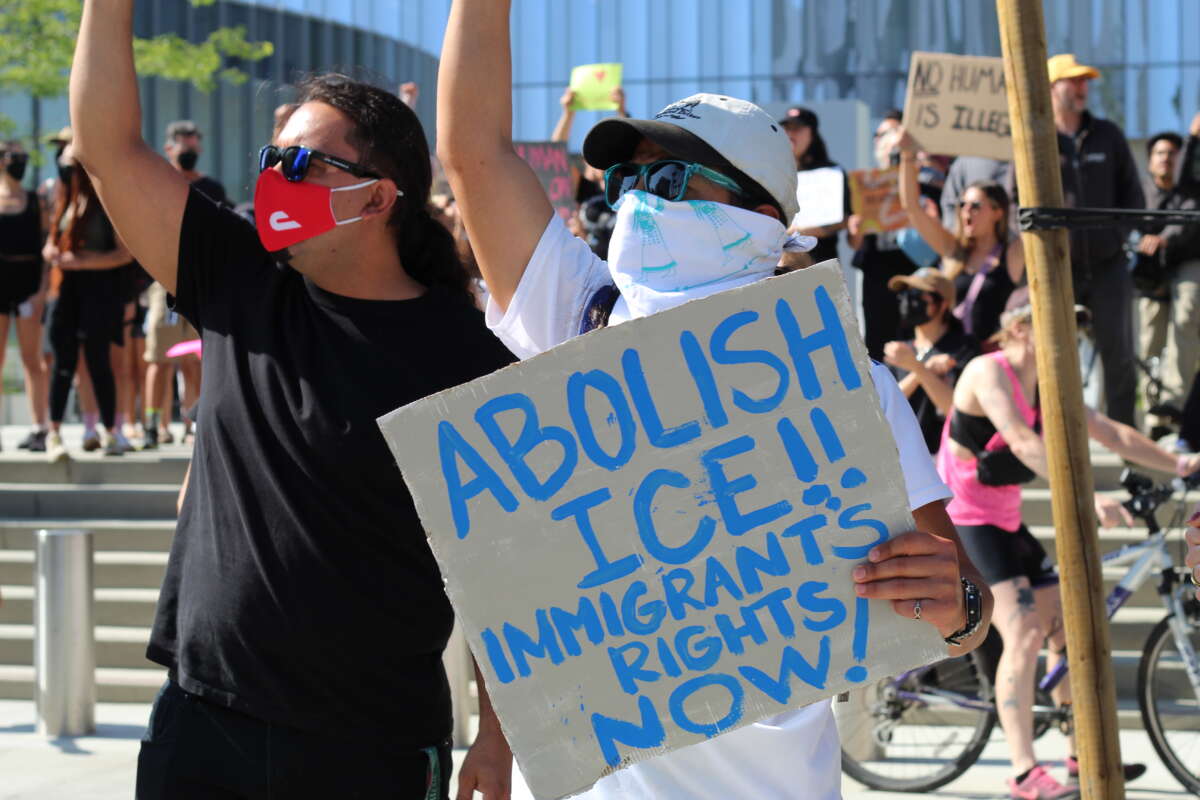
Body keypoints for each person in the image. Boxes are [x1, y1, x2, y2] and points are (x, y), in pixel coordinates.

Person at [437, 3, 993, 798]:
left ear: (761, 218)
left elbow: (960, 611)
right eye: (624, 178)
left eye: (664, 180)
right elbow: (472, 153)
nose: (633, 199)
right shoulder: (579, 317)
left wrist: (958, 599)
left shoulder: (843, 385)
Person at [71, 4, 516, 797]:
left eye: (306, 164)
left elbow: (503, 564)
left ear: (381, 200)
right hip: (203, 725)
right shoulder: (239, 274)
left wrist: (496, 730)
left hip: (368, 747)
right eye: (274, 157)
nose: (277, 178)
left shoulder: (467, 360)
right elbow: (107, 149)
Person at [938, 286, 1200, 798]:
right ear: (1018, 329)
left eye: (1074, 327)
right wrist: (1088, 494)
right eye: (1055, 324)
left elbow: (1111, 433)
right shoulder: (988, 371)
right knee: (1027, 632)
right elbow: (1020, 440)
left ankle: (1081, 752)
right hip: (965, 518)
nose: (1070, 337)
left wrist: (1182, 464)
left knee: (1063, 627)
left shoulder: (1049, 384)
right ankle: (1021, 772)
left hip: (1006, 518)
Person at [1049, 53, 1145, 426]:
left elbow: (1133, 198)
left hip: (1108, 267)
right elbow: (1017, 204)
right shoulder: (1037, 141)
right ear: (1051, 88)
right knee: (1055, 357)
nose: (1082, 88)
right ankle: (1057, 436)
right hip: (1057, 272)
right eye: (1073, 81)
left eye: (1084, 81)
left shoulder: (1108, 134)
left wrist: (1113, 237)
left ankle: (1127, 442)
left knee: (1119, 355)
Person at [42, 142, 132, 461]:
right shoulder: (62, 199)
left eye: (71, 164)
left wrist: (82, 261)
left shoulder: (105, 201)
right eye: (62, 164)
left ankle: (111, 431)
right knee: (62, 362)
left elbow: (124, 253)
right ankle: (53, 433)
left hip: (98, 292)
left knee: (99, 361)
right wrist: (51, 252)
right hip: (65, 290)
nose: (65, 170)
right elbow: (53, 241)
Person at [896, 127, 1024, 342]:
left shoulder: (1011, 254)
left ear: (997, 212)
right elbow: (912, 207)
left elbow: (1036, 215)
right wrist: (907, 155)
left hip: (991, 361)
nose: (966, 210)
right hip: (951, 361)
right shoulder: (953, 251)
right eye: (962, 204)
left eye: (975, 206)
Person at [142, 120, 225, 448]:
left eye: (192, 145)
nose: (188, 151)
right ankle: (153, 424)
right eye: (181, 145)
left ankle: (194, 425)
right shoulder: (158, 183)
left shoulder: (213, 189)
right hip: (164, 282)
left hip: (202, 285)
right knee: (158, 359)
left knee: (193, 360)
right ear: (168, 149)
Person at [1136, 115, 1200, 441]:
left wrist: (1163, 240)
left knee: (1185, 320)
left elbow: (1184, 222)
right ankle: (1153, 413)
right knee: (1150, 340)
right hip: (1151, 276)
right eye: (1160, 153)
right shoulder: (1140, 193)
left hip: (1188, 263)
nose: (1166, 159)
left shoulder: (1190, 187)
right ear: (1149, 161)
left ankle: (1173, 404)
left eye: (1173, 154)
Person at [847, 110, 923, 360]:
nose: (883, 140)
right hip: (876, 271)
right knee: (877, 341)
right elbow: (854, 242)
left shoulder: (921, 177)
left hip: (911, 265)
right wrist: (855, 230)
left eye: (890, 133)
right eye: (878, 135)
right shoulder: (866, 183)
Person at [884, 267, 980, 454]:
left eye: (917, 294)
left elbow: (955, 409)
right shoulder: (899, 352)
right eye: (904, 293)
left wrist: (918, 369)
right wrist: (921, 370)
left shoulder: (963, 347)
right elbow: (885, 410)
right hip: (903, 456)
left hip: (946, 456)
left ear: (942, 303)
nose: (908, 300)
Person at [0, 140, 50, 451]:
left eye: (21, 156)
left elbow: (46, 248)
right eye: (12, 156)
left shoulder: (36, 201)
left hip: (28, 286)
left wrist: (42, 291)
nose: (18, 161)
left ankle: (39, 428)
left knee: (33, 358)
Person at [779, 106, 850, 266]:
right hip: (782, 264)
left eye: (796, 128)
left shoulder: (831, 172)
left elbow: (843, 218)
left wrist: (797, 232)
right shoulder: (776, 171)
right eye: (786, 128)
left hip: (821, 261)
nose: (790, 134)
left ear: (812, 133)